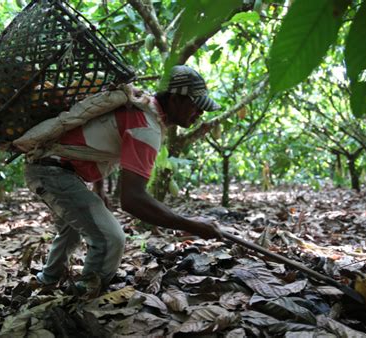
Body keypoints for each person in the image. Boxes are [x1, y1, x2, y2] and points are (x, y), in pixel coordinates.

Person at [24, 65, 222, 292]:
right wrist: (192, 225)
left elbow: (95, 138)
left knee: (73, 228)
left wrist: (99, 189)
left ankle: (47, 279)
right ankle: (82, 297)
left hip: (48, 167)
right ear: (176, 99)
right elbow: (132, 199)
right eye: (196, 106)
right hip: (52, 172)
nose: (200, 113)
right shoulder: (146, 127)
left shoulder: (140, 106)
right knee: (111, 240)